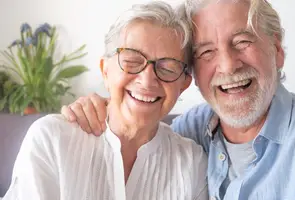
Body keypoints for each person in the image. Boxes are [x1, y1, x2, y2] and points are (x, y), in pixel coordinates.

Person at [61, 0, 295, 200]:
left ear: (277, 50)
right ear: (192, 75)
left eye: (242, 42)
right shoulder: (190, 131)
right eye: (206, 52)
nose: (227, 65)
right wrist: (107, 107)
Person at [3, 2, 209, 200]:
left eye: (167, 68)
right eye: (131, 61)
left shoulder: (192, 163)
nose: (147, 80)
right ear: (105, 70)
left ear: (183, 84)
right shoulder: (52, 139)